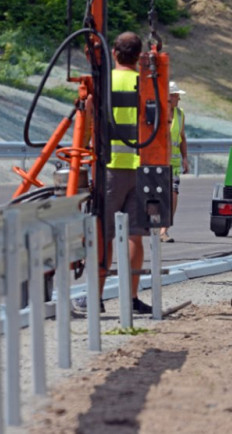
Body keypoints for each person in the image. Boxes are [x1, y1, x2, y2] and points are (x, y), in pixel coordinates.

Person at [75, 31, 152, 314]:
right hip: (141, 168)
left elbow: (88, 116)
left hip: (109, 169)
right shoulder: (146, 84)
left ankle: (94, 298)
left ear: (115, 54)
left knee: (103, 234)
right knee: (135, 235)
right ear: (139, 56)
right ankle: (130, 299)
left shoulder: (102, 83)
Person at [159, 81, 189, 243]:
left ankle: (164, 229)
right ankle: (154, 226)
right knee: (156, 196)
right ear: (168, 97)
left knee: (172, 194)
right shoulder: (156, 113)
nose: (179, 99)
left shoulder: (180, 114)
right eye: (176, 95)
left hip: (174, 165)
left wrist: (185, 158)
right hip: (156, 163)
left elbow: (182, 137)